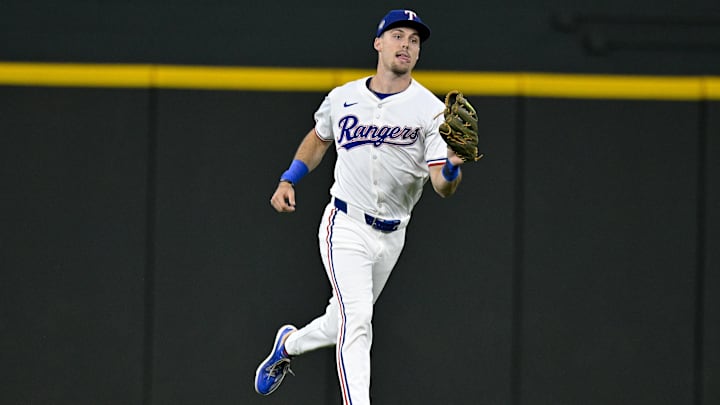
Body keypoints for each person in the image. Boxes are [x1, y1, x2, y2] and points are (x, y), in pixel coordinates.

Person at [254, 9, 470, 405]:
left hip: (393, 234)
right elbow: (320, 139)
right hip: (345, 223)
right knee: (359, 322)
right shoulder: (344, 97)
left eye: (414, 40)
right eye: (398, 36)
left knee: (341, 322)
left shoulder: (430, 110)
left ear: (419, 53)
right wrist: (290, 177)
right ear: (378, 42)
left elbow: (441, 185)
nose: (406, 44)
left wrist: (453, 168)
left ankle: (288, 345)